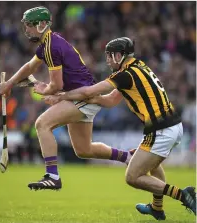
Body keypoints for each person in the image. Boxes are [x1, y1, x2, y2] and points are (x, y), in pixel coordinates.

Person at [41, 37, 196, 219]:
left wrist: (61, 97)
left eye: (109, 56)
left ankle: (184, 195)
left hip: (161, 129)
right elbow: (111, 100)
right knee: (152, 165)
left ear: (119, 55)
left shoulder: (124, 75)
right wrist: (94, 99)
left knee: (132, 177)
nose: (107, 60)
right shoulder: (138, 66)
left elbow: (88, 91)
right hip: (172, 126)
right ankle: (157, 208)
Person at [0, 7, 134, 191]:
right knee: (84, 150)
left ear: (42, 25)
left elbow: (56, 84)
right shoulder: (48, 44)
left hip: (81, 96)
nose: (26, 29)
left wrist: (45, 90)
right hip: (83, 95)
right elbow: (29, 67)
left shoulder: (51, 46)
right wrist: (9, 84)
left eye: (29, 25)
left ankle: (52, 176)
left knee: (42, 124)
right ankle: (127, 157)